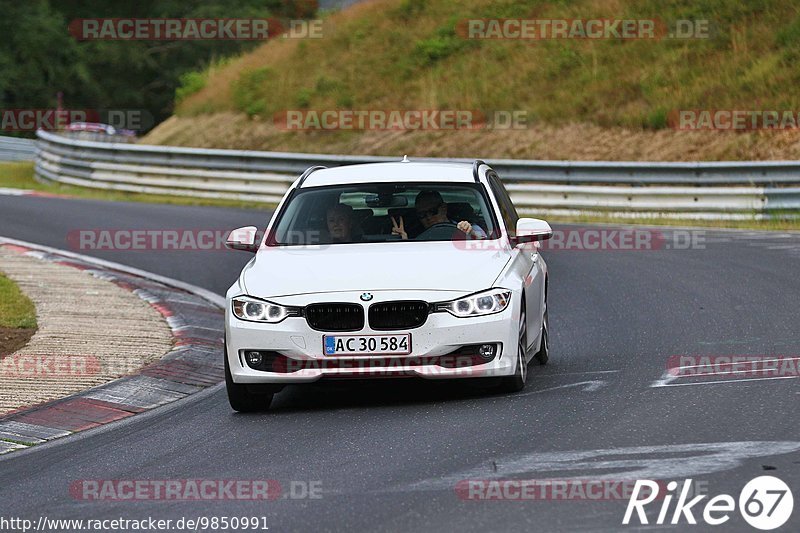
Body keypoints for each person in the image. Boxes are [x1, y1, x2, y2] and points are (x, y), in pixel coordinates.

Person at [391, 190, 487, 240]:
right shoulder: (414, 235)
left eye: (433, 211)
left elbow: (487, 243)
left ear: (443, 208)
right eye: (422, 214)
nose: (428, 217)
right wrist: (402, 240)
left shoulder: (466, 227)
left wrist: (471, 234)